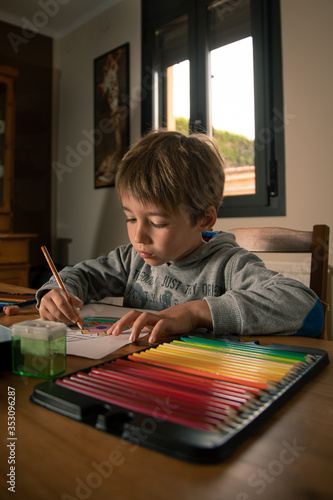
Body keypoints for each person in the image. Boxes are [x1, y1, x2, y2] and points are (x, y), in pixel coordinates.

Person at [37, 129, 324, 342]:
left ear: (203, 218)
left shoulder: (229, 265)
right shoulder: (131, 260)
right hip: (136, 372)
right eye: (131, 218)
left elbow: (307, 308)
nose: (139, 236)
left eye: (158, 223)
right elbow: (83, 275)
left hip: (205, 384)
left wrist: (196, 312)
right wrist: (60, 292)